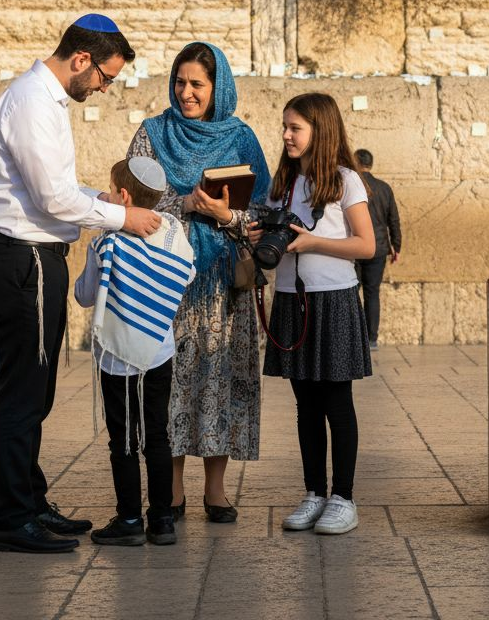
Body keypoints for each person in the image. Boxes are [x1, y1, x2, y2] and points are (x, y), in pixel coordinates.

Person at [0, 13, 162, 555]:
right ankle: (12, 517)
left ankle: (30, 502)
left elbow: (57, 188)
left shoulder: (46, 100)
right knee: (23, 394)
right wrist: (123, 219)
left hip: (36, 257)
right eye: (105, 76)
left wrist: (97, 200)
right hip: (24, 260)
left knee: (37, 391)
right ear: (82, 59)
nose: (105, 88)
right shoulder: (34, 102)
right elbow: (53, 202)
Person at [129, 42, 271, 524]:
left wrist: (226, 214)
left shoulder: (240, 138)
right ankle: (171, 488)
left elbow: (266, 212)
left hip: (222, 288)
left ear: (218, 88)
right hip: (167, 284)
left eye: (197, 85)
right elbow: (133, 201)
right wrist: (187, 205)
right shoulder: (152, 134)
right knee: (170, 384)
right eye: (179, 82)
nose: (185, 93)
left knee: (220, 381)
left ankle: (216, 488)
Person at [255, 93, 376, 536]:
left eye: (295, 128)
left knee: (337, 403)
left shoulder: (346, 180)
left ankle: (343, 497)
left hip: (333, 297)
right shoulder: (282, 183)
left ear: (319, 131)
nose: (286, 135)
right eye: (285, 126)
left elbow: (366, 246)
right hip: (291, 296)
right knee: (305, 404)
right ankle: (313, 493)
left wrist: (310, 242)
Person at [74, 157, 195, 547]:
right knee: (157, 435)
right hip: (159, 350)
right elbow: (186, 273)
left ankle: (128, 520)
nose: (105, 196)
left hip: (118, 357)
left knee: (123, 439)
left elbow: (84, 295)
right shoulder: (174, 231)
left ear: (123, 196)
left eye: (109, 190)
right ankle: (162, 520)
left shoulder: (107, 241)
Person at [353, 148, 402, 351]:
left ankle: (355, 337)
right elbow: (394, 220)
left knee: (352, 292)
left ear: (355, 162)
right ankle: (371, 339)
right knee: (373, 293)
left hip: (355, 247)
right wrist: (396, 247)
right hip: (379, 248)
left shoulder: (353, 185)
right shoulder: (384, 188)